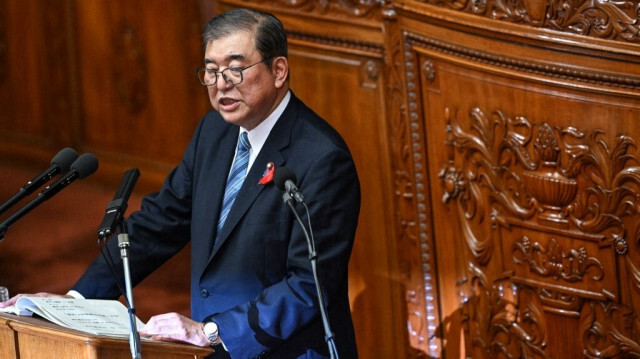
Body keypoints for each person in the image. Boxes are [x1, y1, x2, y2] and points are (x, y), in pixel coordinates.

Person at [0, 8, 360, 359]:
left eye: (235, 71)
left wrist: (210, 332)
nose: (220, 86)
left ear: (278, 70)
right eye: (211, 71)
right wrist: (77, 300)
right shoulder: (215, 132)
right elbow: (161, 222)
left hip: (282, 349)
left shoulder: (322, 158)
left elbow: (308, 286)